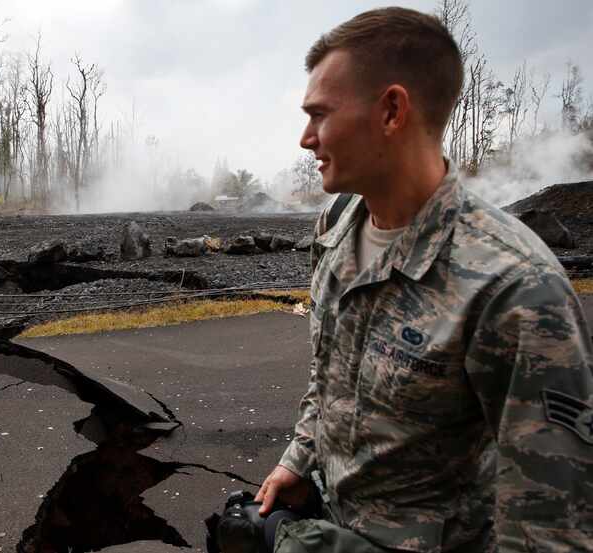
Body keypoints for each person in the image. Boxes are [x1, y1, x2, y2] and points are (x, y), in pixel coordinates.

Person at [254, 7, 593, 553]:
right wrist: (300, 458)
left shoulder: (513, 286)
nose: (305, 138)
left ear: (391, 111)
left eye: (320, 114)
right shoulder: (339, 226)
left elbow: (550, 525)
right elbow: (329, 376)